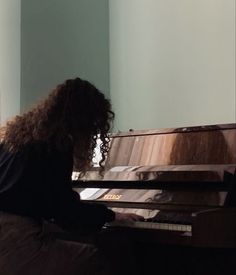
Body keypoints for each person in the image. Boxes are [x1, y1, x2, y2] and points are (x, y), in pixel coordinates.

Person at [0, 77, 144, 275]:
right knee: (96, 258)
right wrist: (111, 215)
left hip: (9, 234)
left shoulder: (16, 138)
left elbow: (48, 205)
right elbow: (65, 211)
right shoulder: (56, 144)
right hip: (14, 240)